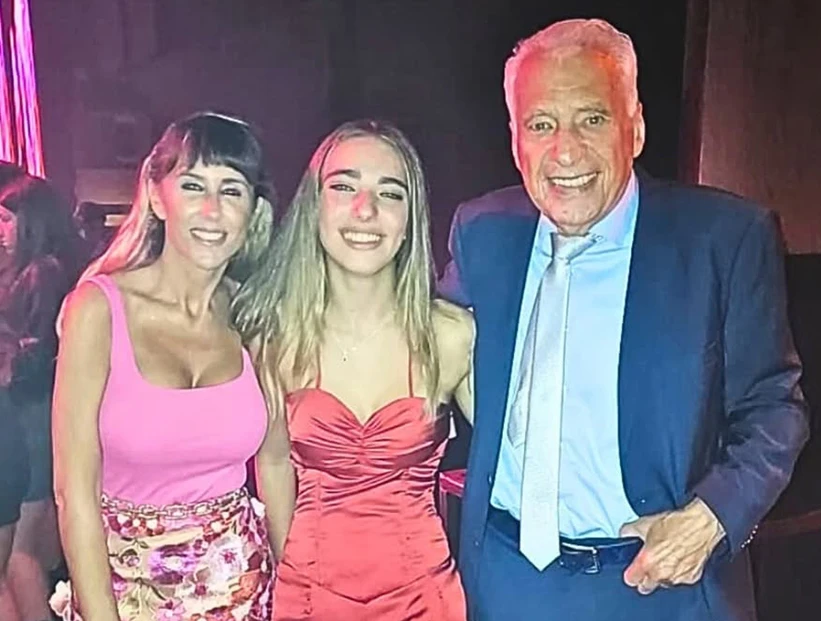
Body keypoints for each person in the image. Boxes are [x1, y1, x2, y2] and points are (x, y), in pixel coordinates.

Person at [439, 18, 808, 621]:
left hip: (659, 584)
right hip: (505, 579)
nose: (565, 151)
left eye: (591, 119)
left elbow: (774, 408)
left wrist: (711, 519)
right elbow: (421, 346)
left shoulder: (723, 239)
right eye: (541, 124)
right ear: (515, 138)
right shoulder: (483, 231)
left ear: (634, 127)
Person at [49, 112, 290, 621]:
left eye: (232, 190)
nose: (212, 210)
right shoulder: (98, 310)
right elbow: (74, 494)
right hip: (122, 593)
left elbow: (274, 464)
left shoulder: (255, 318)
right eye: (193, 185)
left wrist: (296, 593)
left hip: (242, 592)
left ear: (253, 212)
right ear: (158, 198)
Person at [233, 119, 474, 621]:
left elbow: (514, 462)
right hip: (308, 599)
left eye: (390, 193)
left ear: (410, 219)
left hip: (424, 602)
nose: (366, 209)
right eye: (344, 187)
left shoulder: (451, 335)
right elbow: (272, 464)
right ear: (314, 206)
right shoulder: (273, 338)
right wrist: (292, 573)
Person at [0, 175, 81, 621]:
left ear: (32, 222)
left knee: (20, 552)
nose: (0, 230)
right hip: (32, 415)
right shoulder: (32, 271)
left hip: (30, 416)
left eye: (6, 219)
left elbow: (41, 352)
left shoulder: (42, 273)